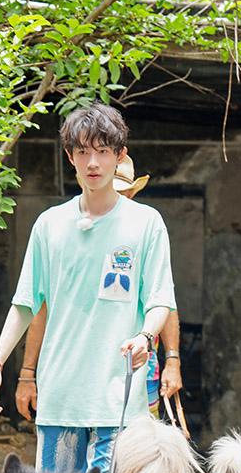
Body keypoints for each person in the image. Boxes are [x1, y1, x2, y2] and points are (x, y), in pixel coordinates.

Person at [0, 104, 177, 473]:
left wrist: (145, 336)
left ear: (119, 156)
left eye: (103, 151)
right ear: (70, 156)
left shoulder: (146, 223)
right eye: (83, 152)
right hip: (61, 401)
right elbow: (25, 304)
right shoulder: (49, 225)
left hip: (118, 401)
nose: (93, 162)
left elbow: (159, 300)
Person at [15, 155, 183, 423]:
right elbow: (39, 306)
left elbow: (163, 300)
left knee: (133, 454)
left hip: (136, 369)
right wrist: (27, 373)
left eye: (122, 193)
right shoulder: (64, 232)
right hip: (73, 373)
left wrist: (172, 361)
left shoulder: (144, 229)